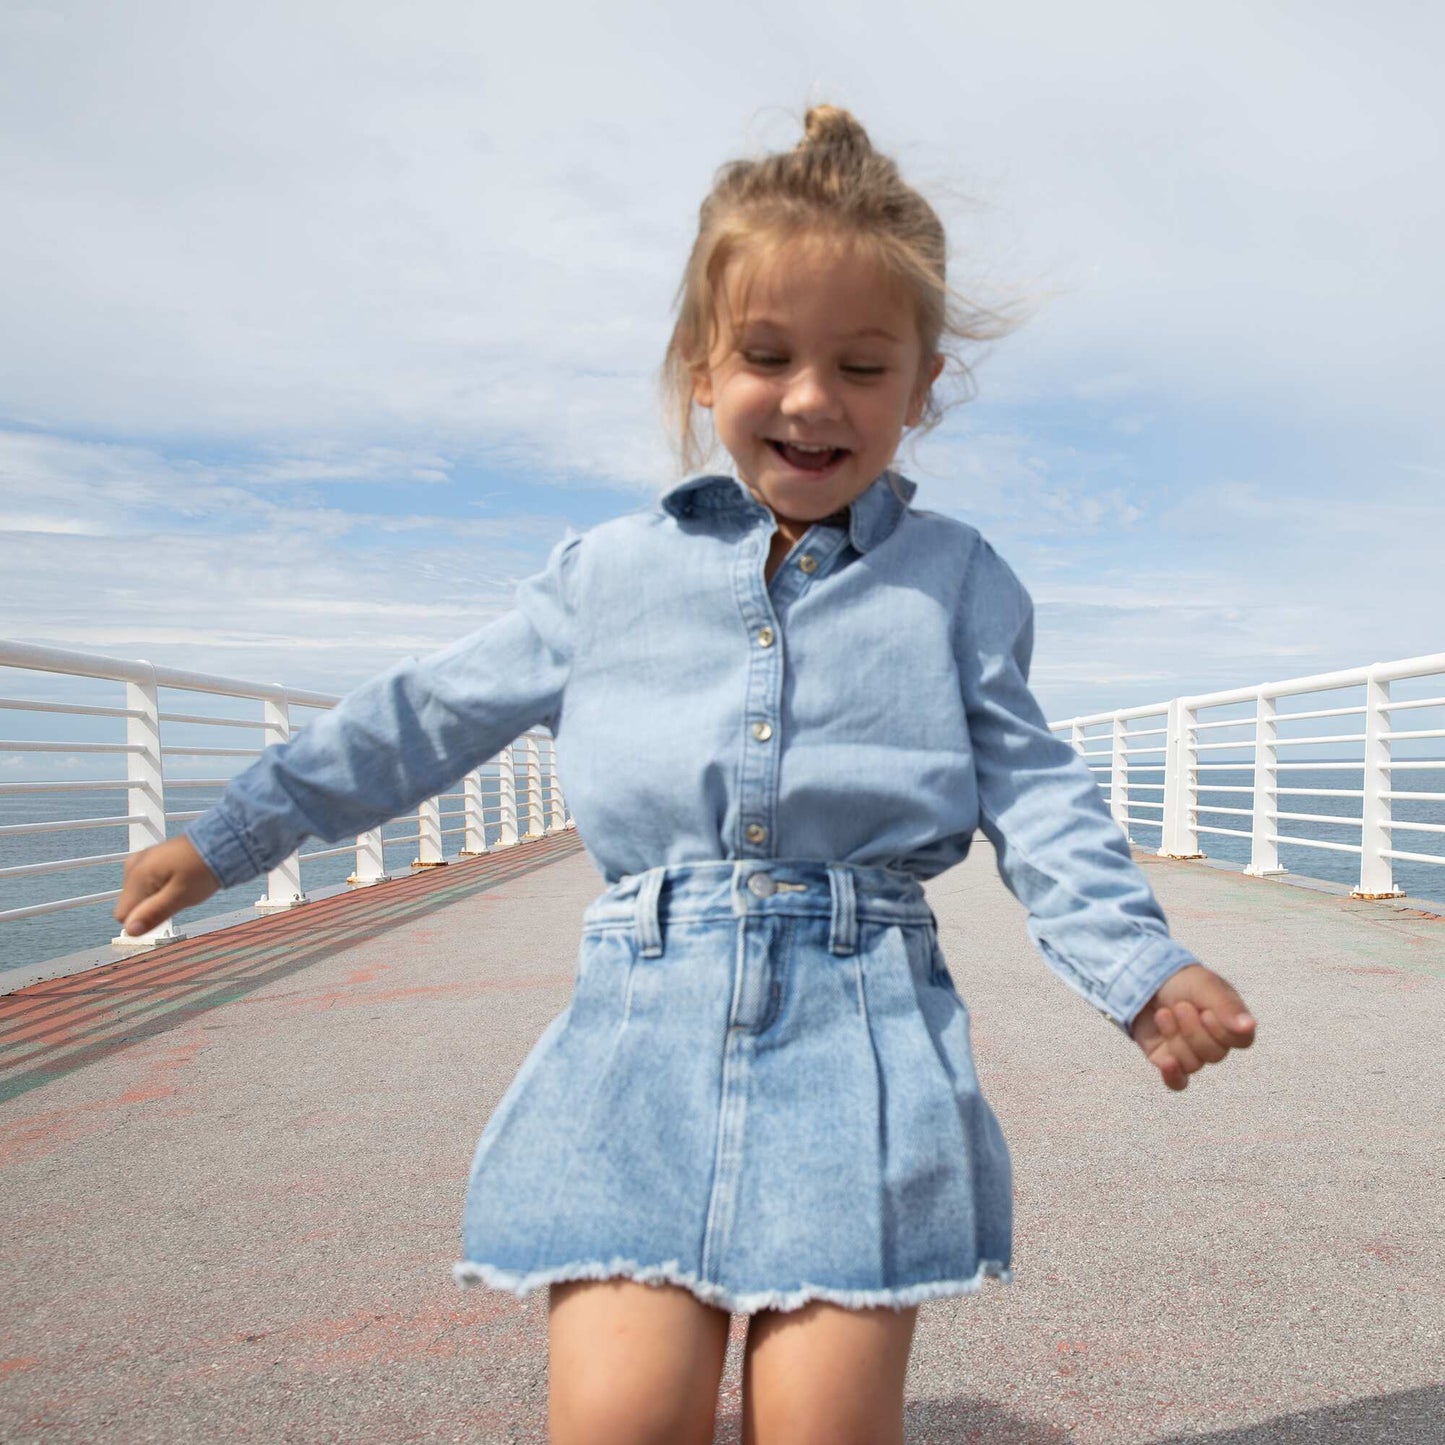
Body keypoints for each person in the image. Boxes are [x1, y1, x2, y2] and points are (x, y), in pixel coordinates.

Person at [114, 105, 1256, 1445]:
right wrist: (238, 830)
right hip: (637, 1042)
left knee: (821, 1425)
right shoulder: (607, 574)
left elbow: (1037, 793)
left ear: (921, 385)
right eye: (767, 356)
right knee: (619, 1417)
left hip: (864, 1044)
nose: (812, 397)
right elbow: (430, 712)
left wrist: (1137, 966)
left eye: (861, 364)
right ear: (699, 370)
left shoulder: (955, 582)